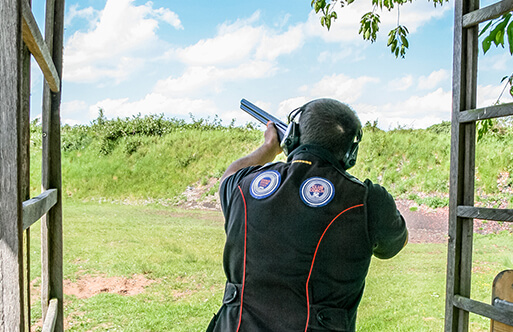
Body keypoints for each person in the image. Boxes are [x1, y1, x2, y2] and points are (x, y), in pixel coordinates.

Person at [207, 98, 408, 332]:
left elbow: (229, 175)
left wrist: (269, 147)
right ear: (351, 152)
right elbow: (394, 244)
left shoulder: (244, 185)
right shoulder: (368, 200)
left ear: (292, 136)